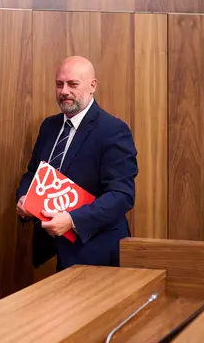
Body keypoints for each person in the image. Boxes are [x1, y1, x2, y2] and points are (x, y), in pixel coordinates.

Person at [15, 56, 138, 271]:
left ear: (93, 86)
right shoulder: (49, 126)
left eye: (73, 84)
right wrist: (24, 197)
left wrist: (72, 220)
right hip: (53, 248)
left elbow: (122, 195)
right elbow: (33, 173)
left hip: (97, 251)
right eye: (59, 84)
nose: (64, 91)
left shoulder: (113, 130)